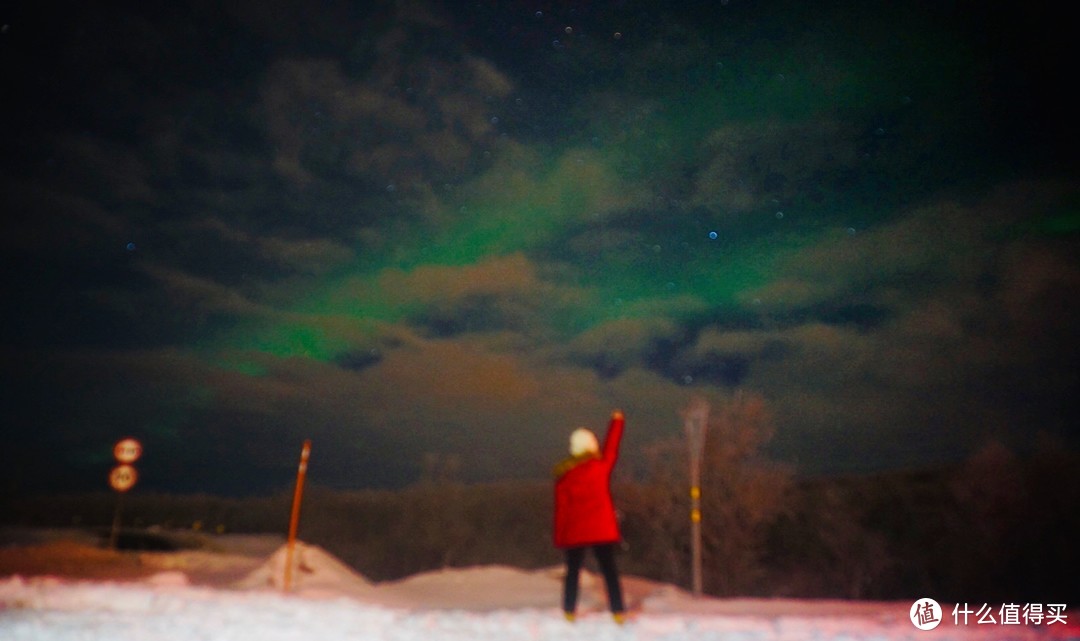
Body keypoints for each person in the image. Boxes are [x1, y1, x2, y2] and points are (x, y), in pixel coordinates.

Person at [552, 409, 626, 623]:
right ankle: (618, 612)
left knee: (572, 572)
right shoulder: (600, 468)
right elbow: (612, 447)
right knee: (609, 571)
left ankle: (569, 611)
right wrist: (617, 421)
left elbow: (562, 511)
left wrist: (560, 538)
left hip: (575, 532)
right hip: (601, 530)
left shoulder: (564, 477)